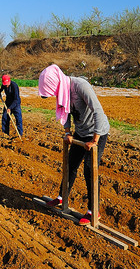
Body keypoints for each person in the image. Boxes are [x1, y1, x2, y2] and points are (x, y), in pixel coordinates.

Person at [38, 64, 109, 226]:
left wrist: (95, 140)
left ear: (56, 82)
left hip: (98, 132)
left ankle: (93, 210)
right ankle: (62, 196)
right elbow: (65, 110)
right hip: (81, 132)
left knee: (90, 170)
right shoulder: (63, 90)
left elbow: (98, 110)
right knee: (70, 165)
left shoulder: (80, 86)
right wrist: (68, 132)